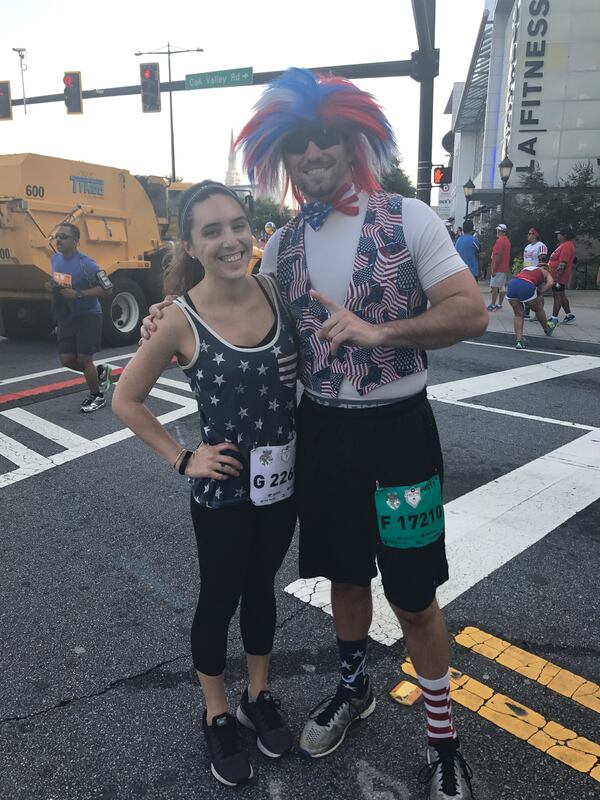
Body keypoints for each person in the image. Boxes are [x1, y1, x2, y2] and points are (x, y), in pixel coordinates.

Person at [143, 68, 487, 800]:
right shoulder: (286, 245)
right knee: (345, 575)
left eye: (326, 136)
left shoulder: (409, 218)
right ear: (282, 156)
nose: (313, 153)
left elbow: (471, 312)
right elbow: (225, 295)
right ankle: (354, 687)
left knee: (417, 595)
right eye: (297, 143)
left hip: (400, 434)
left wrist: (380, 329)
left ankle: (443, 738)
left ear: (353, 137)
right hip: (321, 434)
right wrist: (161, 316)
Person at [114, 181, 298, 787]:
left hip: (280, 483)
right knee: (220, 596)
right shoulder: (175, 319)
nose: (231, 240)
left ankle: (259, 695)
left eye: (239, 225)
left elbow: (300, 355)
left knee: (263, 589)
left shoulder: (274, 289)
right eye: (213, 230)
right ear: (190, 244)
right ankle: (217, 712)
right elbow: (126, 399)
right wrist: (182, 457)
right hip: (222, 493)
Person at [45, 223, 113, 412]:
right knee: (66, 360)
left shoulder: (87, 264)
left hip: (88, 316)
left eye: (63, 237)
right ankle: (100, 372)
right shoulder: (55, 259)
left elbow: (108, 288)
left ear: (75, 241)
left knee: (84, 359)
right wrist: (51, 285)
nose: (58, 240)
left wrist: (78, 294)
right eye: (56, 236)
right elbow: (60, 280)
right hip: (67, 316)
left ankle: (97, 396)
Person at [506, 263, 556, 349]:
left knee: (518, 314)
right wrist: (541, 292)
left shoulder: (527, 268)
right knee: (538, 308)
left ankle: (519, 341)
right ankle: (547, 328)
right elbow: (550, 283)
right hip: (526, 285)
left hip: (513, 284)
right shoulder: (546, 272)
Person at [548, 225, 577, 325]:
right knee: (562, 295)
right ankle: (569, 315)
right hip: (557, 276)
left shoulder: (567, 246)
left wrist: (556, 278)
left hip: (559, 277)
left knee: (557, 296)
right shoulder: (564, 245)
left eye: (559, 234)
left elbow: (563, 263)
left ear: (564, 235)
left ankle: (553, 318)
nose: (558, 235)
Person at [521, 228, 548, 321]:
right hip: (526, 272)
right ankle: (526, 312)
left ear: (535, 235)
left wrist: (542, 273)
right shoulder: (527, 247)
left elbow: (543, 261)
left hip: (536, 272)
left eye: (530, 234)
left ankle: (539, 313)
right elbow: (525, 260)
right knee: (526, 292)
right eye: (528, 233)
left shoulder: (541, 246)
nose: (528, 235)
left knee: (539, 293)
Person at [487, 223, 511, 311]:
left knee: (494, 286)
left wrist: (494, 269)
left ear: (500, 231)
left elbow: (497, 256)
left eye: (497, 230)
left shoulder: (500, 241)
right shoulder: (507, 241)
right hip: (504, 268)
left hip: (498, 268)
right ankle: (499, 304)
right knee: (502, 286)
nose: (496, 232)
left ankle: (493, 305)